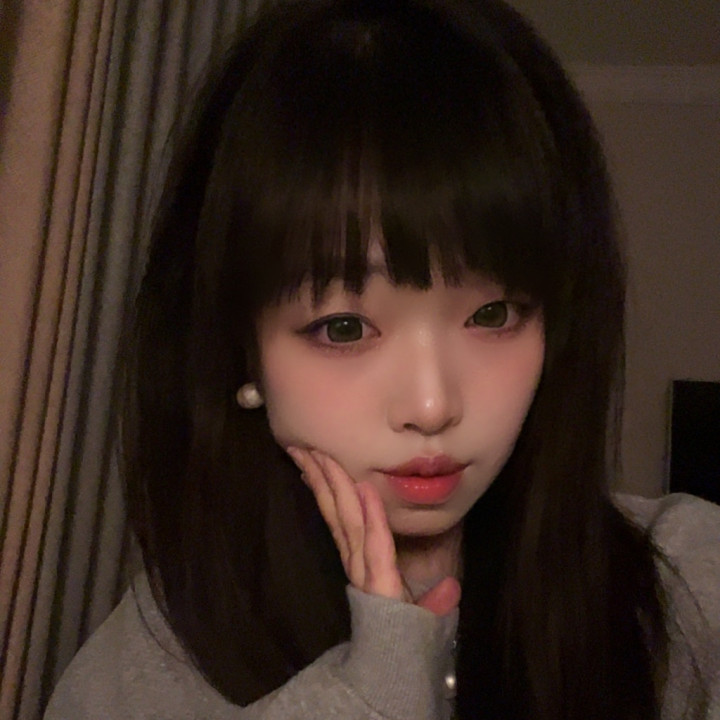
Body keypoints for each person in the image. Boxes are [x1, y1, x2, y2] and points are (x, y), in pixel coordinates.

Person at [45, 0, 719, 718]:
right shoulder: (146, 670)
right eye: (343, 328)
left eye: (494, 315)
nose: (432, 406)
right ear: (242, 349)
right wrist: (367, 691)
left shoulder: (687, 583)